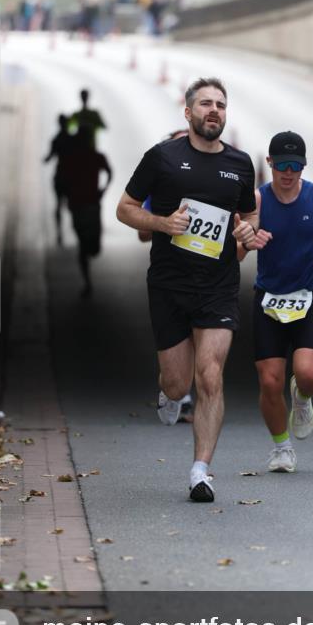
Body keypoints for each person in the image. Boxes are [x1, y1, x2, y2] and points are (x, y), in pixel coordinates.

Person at [116, 77, 257, 502]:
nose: (213, 110)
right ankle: (169, 391)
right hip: (170, 284)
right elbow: (123, 209)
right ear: (188, 112)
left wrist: (248, 236)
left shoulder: (240, 163)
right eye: (205, 104)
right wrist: (162, 223)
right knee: (179, 384)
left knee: (210, 376)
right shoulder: (161, 158)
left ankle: (200, 471)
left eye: (220, 104)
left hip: (217, 286)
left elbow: (249, 217)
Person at [238, 131, 313, 474]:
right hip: (269, 299)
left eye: (296, 166)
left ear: (303, 167)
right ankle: (282, 448)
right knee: (269, 380)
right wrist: (249, 239)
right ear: (269, 163)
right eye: (282, 165)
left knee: (309, 374)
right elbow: (237, 253)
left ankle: (302, 397)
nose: (288, 173)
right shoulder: (256, 201)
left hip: (308, 297)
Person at [137, 130, 194, 424]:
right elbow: (142, 233)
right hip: (169, 277)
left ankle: (187, 399)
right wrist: (168, 221)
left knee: (206, 346)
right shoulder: (160, 186)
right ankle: (174, 390)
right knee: (177, 356)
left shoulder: (216, 182)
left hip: (208, 281)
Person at [58, 125, 112, 297]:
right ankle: (87, 281)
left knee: (85, 244)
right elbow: (110, 172)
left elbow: (62, 180)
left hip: (79, 205)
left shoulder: (72, 158)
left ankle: (87, 279)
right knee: (90, 245)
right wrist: (103, 189)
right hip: (89, 204)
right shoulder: (95, 156)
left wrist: (67, 195)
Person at [43, 114, 73, 245]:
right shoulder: (72, 139)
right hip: (71, 176)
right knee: (73, 204)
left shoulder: (56, 140)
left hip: (60, 176)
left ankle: (59, 232)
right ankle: (75, 228)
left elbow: (49, 158)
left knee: (58, 204)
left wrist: (44, 159)